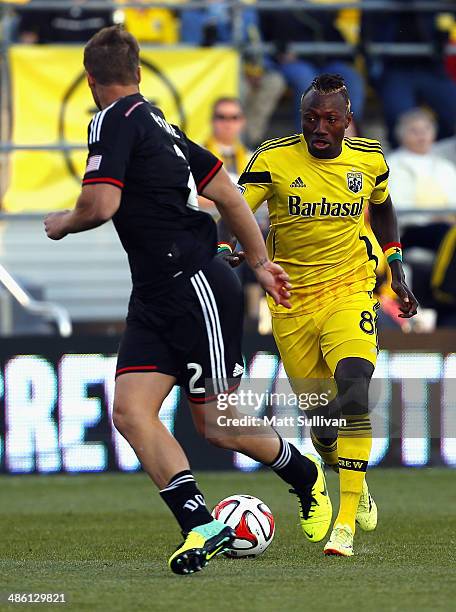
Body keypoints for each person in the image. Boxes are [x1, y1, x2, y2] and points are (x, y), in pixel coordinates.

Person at [44, 26, 332, 576]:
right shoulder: (162, 124)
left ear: (89, 79)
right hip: (157, 292)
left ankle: (306, 475)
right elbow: (225, 190)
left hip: (194, 284)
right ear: (140, 74)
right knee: (130, 412)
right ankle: (200, 524)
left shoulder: (111, 121)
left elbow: (101, 204)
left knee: (218, 425)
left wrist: (65, 222)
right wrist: (258, 262)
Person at [220, 74, 418, 556]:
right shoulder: (272, 158)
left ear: (348, 121)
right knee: (323, 425)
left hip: (350, 290)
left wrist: (395, 268)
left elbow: (383, 210)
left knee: (354, 391)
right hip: (292, 300)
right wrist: (229, 245)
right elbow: (236, 210)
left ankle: (345, 524)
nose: (319, 128)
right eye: (311, 118)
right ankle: (350, 477)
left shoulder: (370, 159)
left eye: (331, 119)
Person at [361, 0, 456, 147]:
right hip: (395, 67)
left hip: (431, 67)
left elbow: (447, 13)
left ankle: (436, 156)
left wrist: (442, 34)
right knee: (401, 123)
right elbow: (367, 31)